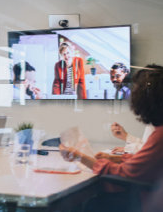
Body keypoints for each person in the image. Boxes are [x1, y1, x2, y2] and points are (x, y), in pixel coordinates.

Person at [59, 64, 163, 211]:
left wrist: (79, 157)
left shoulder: (160, 135)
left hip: (145, 202)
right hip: (147, 197)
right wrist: (115, 158)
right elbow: (147, 161)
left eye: (137, 90)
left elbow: (124, 173)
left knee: (89, 205)